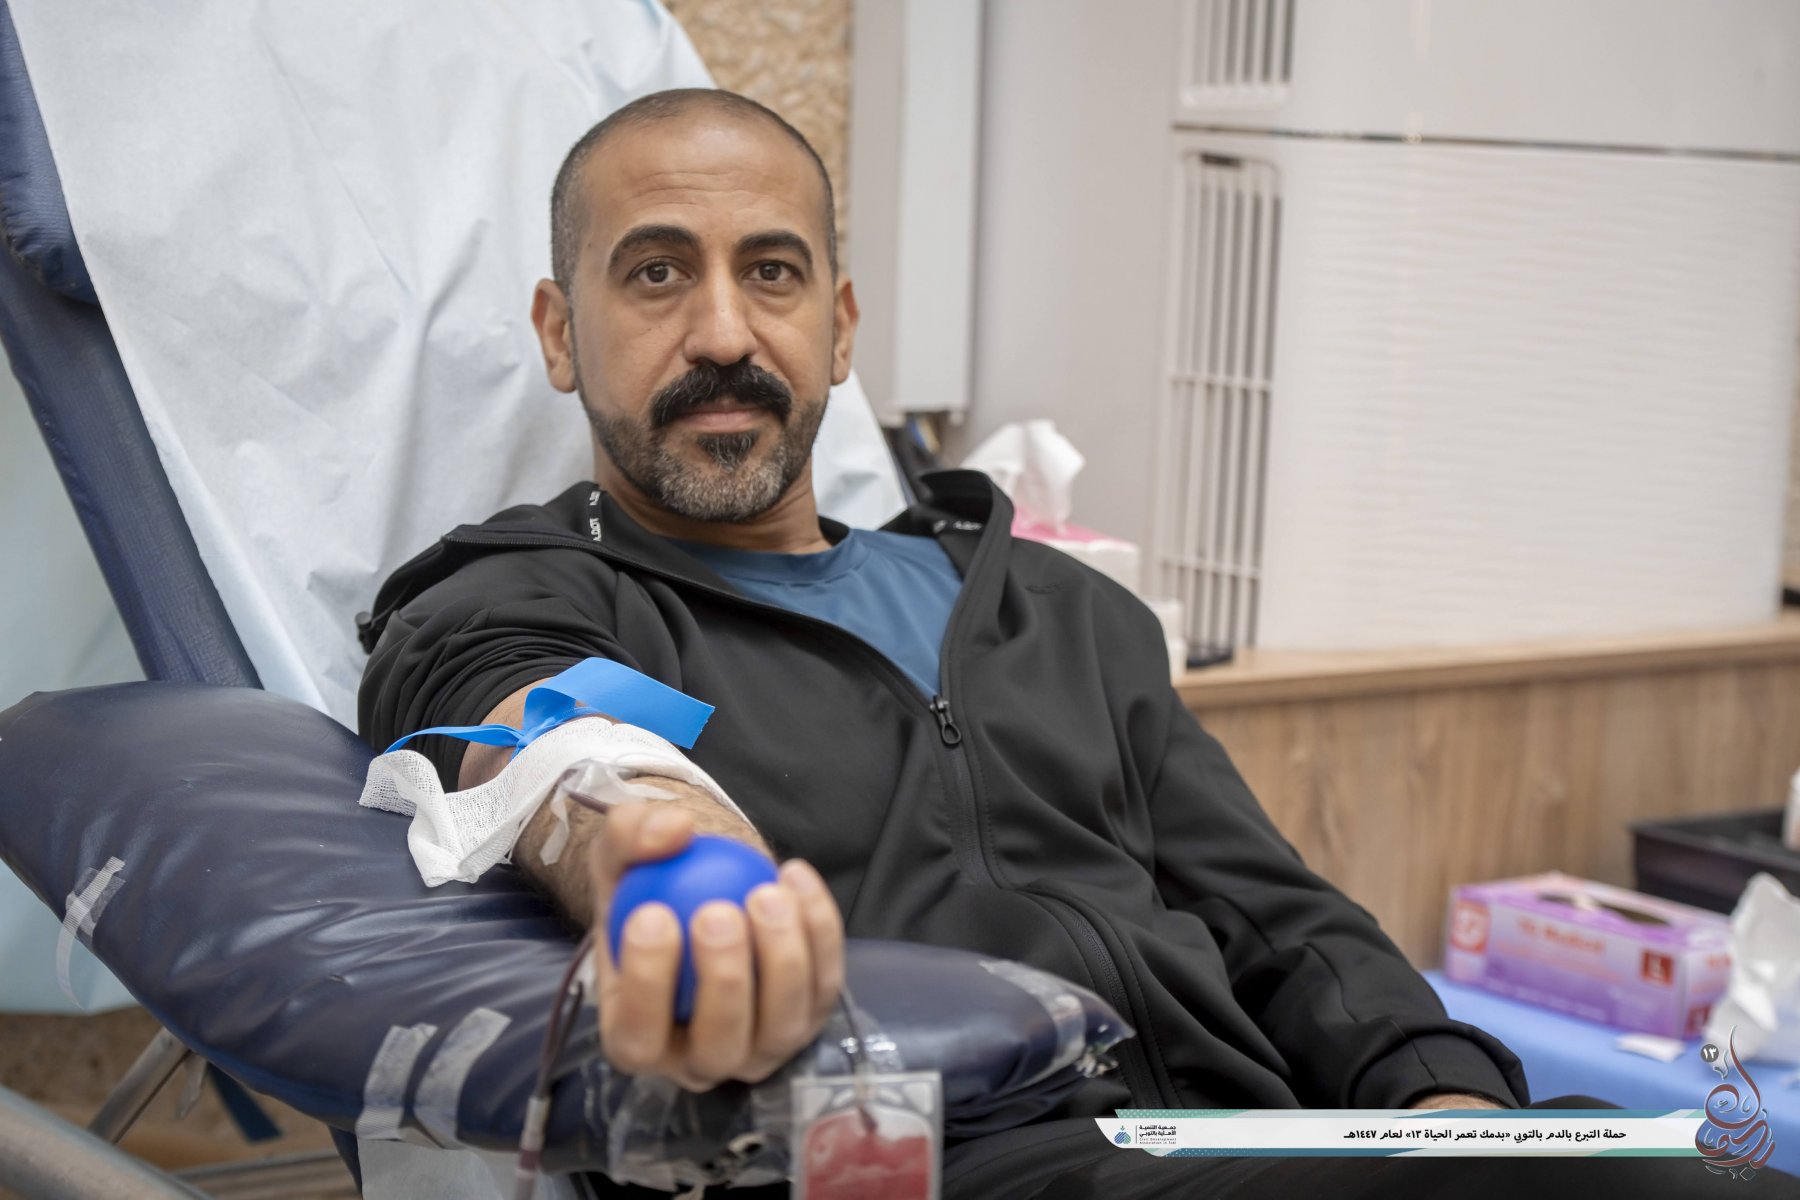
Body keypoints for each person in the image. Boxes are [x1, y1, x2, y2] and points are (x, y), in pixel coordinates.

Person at [357, 89, 1785, 1198]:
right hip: (950, 1157)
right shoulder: (528, 596)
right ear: (562, 331)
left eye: (772, 273)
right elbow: (545, 739)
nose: (724, 330)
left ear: (839, 328)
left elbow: (1278, 917)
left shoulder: (1060, 611)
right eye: (658, 274)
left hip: (1256, 1141)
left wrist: (1444, 1108)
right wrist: (668, 863)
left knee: (1698, 1168)